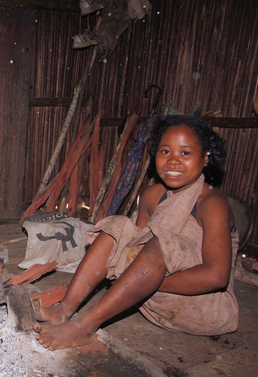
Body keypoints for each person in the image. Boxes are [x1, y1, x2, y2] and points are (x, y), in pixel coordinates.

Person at [34, 116, 238, 350]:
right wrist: (137, 277)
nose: (173, 161)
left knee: (159, 244)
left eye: (185, 153)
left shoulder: (212, 204)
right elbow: (134, 249)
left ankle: (84, 327)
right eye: (165, 151)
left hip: (202, 307)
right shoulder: (152, 195)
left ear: (205, 159)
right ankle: (64, 309)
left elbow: (216, 277)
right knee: (117, 227)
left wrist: (148, 282)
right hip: (153, 300)